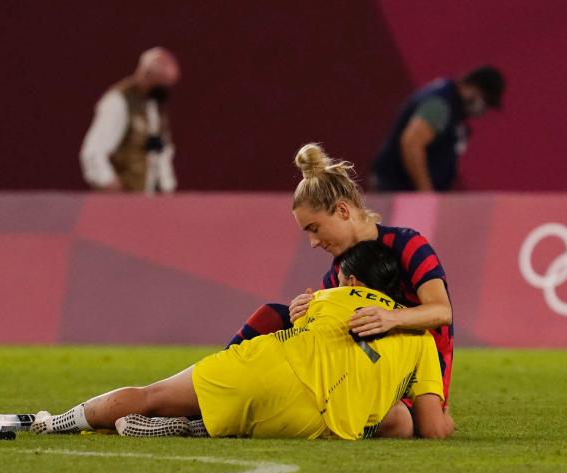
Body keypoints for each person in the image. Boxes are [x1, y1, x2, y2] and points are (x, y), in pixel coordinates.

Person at [31, 241, 454, 440]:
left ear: (352, 280)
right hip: (315, 426)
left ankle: (54, 423)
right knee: (395, 418)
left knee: (150, 394)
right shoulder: (417, 334)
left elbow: (293, 314)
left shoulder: (327, 296)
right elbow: (432, 429)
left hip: (265, 370)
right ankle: (185, 430)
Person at [230, 144, 454, 419]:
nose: (313, 243)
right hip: (365, 372)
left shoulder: (409, 245)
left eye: (315, 229)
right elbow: (326, 338)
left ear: (343, 211)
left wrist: (391, 318)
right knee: (273, 315)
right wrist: (305, 314)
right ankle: (216, 389)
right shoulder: (338, 272)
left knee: (397, 420)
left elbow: (442, 312)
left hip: (417, 378)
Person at [370, 65, 505, 192]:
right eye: (485, 102)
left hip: (402, 190)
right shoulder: (440, 105)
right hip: (398, 189)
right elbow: (411, 143)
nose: (483, 109)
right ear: (473, 88)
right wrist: (426, 192)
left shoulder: (451, 105)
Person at [79, 47, 180, 195]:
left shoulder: (154, 107)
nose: (165, 92)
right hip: (123, 202)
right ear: (147, 75)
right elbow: (93, 153)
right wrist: (110, 184)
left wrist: (167, 187)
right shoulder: (118, 102)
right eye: (161, 85)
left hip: (149, 200)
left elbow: (160, 152)